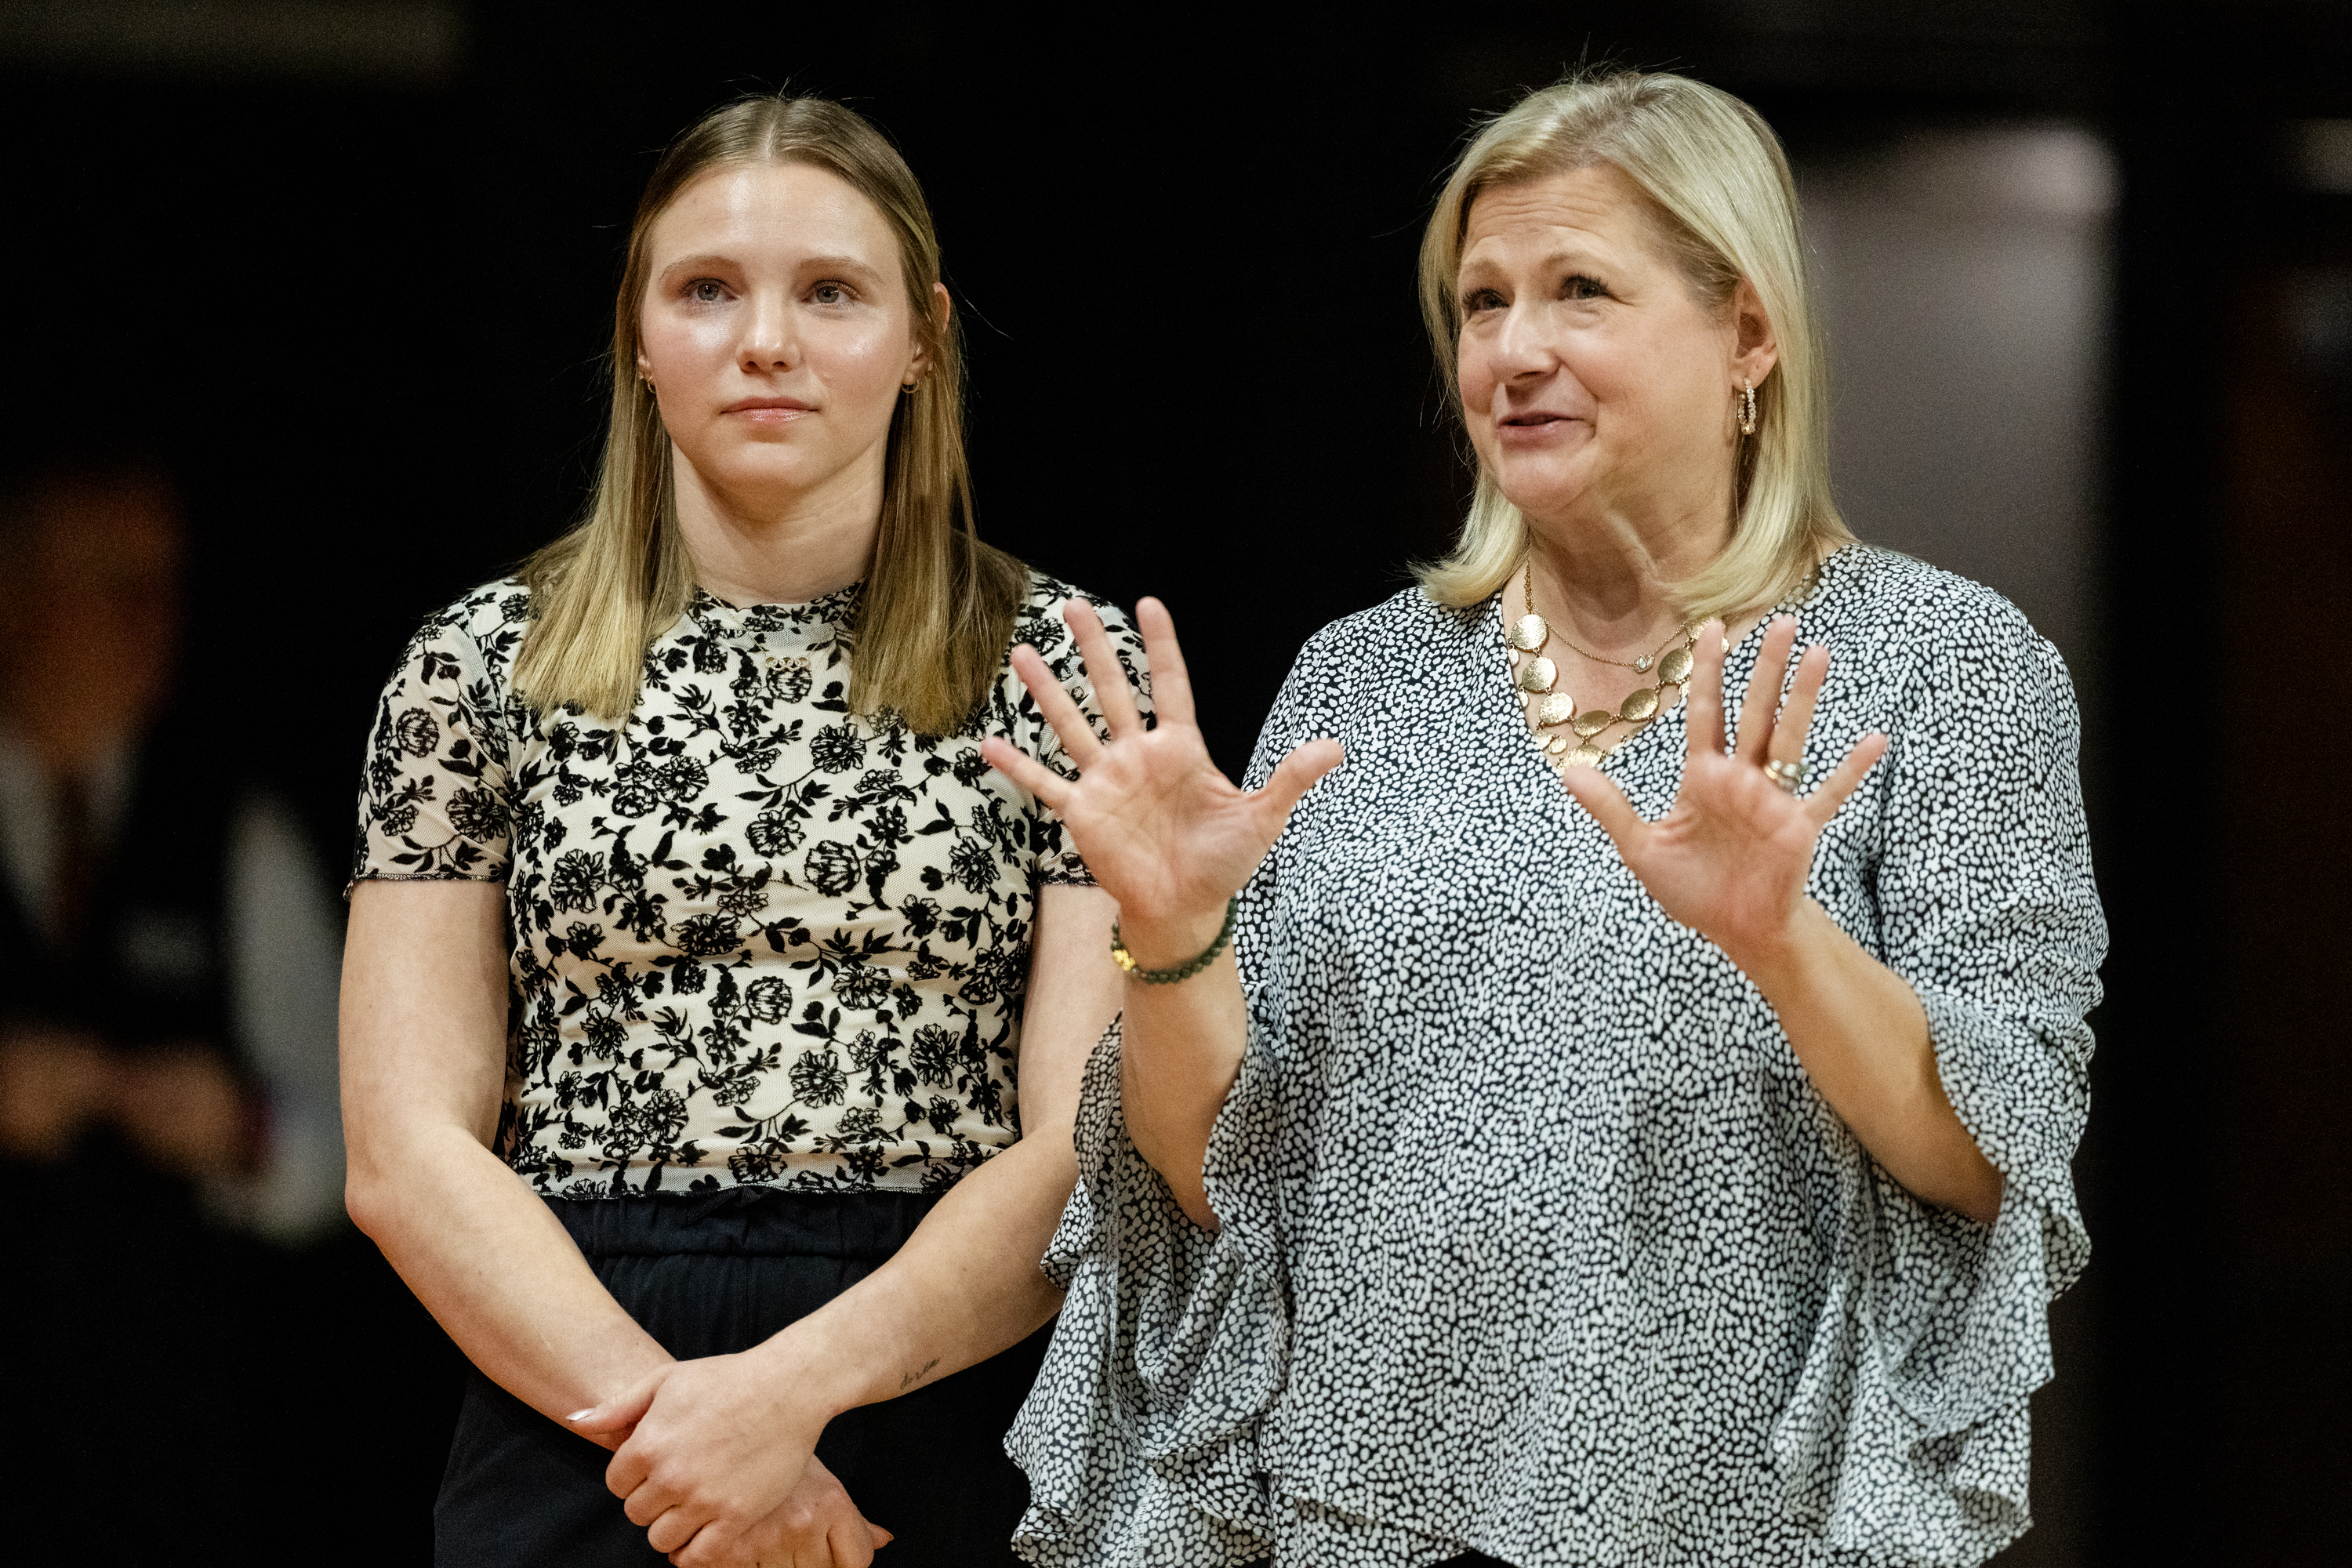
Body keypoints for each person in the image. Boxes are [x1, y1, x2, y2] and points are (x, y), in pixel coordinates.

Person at [981, 71, 2105, 1566]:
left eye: (1581, 291)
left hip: (1739, 1525)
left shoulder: (1946, 666)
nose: (1514, 352)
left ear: (1749, 333)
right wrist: (1175, 940)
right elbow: (1210, 1185)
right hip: (1358, 1515)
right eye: (1482, 301)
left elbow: (1996, 1154)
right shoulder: (1363, 677)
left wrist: (1782, 940)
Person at [340, 95, 1140, 1568]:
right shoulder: (475, 664)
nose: (764, 340)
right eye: (707, 290)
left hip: (939, 1376)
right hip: (575, 1383)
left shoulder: (1062, 665)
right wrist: (696, 1440)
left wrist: (791, 1399)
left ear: (924, 337)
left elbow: (1086, 1143)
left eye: (829, 292)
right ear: (640, 340)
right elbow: (401, 1150)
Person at [0, 459, 350, 1558]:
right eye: (110, 580)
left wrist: (241, 1129)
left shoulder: (234, 837)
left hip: (164, 1460)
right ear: (13, 593)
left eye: (165, 583)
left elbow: (348, 1150)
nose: (149, 618)